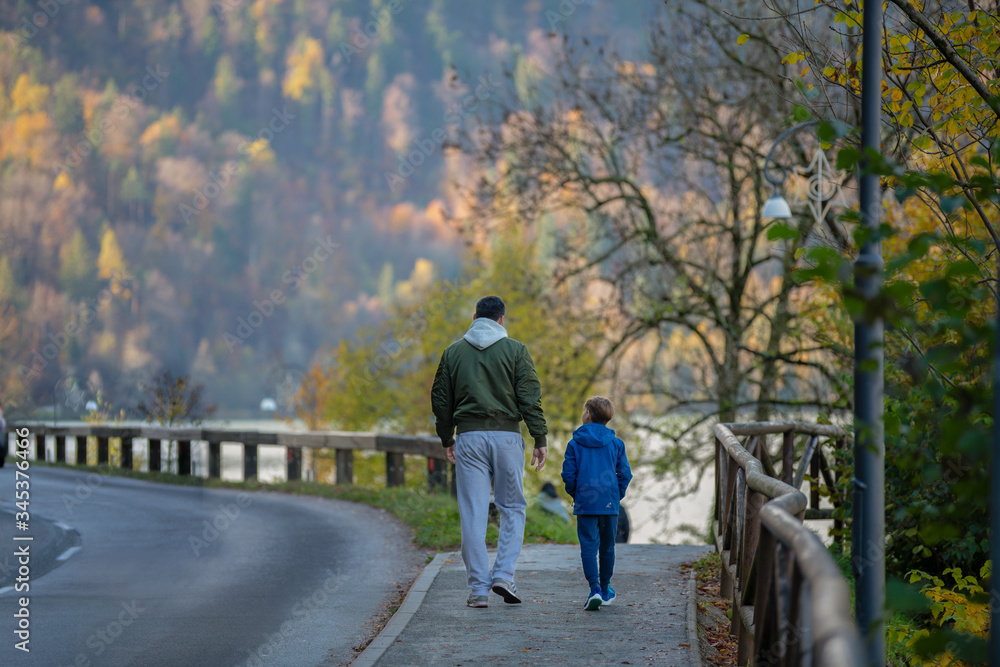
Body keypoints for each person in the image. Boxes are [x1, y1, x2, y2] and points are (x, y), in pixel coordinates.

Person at [431, 295, 548, 609]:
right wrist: (539, 437)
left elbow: (441, 402)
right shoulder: (516, 351)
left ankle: (479, 590)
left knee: (473, 513)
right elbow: (529, 398)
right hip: (507, 438)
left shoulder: (453, 352)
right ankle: (504, 576)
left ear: (474, 317)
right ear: (501, 319)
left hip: (468, 438)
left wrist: (446, 438)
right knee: (512, 508)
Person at [561, 396, 633, 610]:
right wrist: (615, 495)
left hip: (586, 501)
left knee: (589, 546)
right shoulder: (617, 444)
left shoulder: (574, 443)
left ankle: (594, 589)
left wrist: (577, 494)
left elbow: (568, 475)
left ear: (588, 414)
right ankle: (605, 587)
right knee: (608, 546)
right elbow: (625, 474)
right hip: (610, 502)